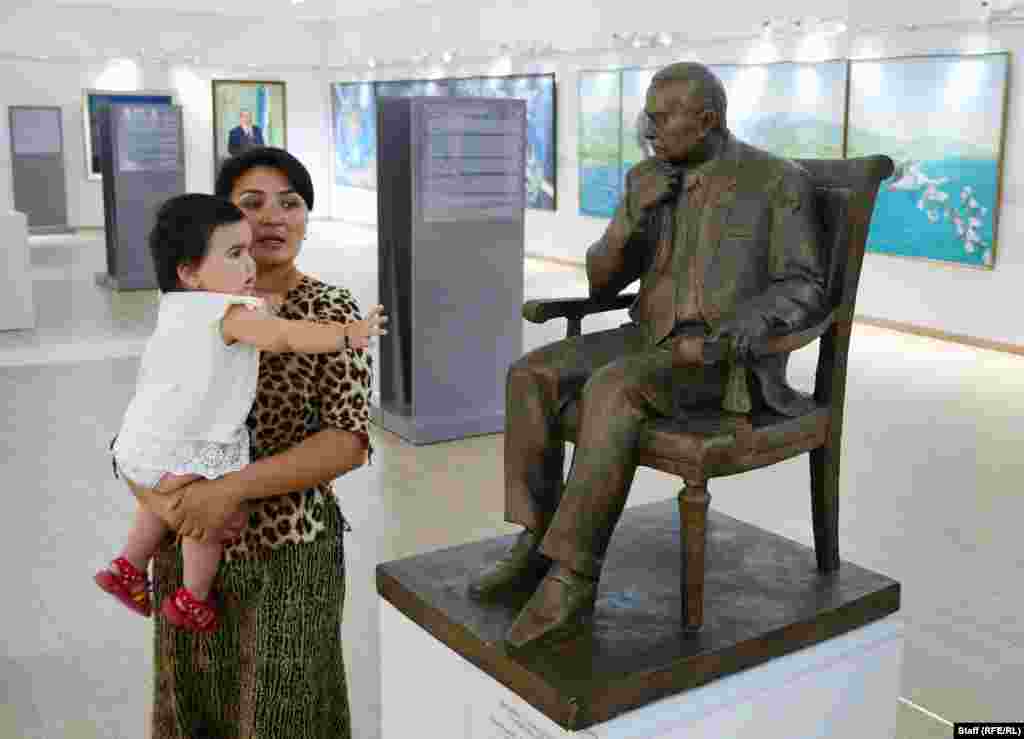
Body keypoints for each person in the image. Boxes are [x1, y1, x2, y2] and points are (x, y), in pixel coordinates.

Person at [468, 62, 827, 648]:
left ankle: (574, 575)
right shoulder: (648, 177)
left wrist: (751, 321)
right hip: (649, 335)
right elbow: (602, 284)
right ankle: (535, 542)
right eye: (649, 116)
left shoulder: (774, 181)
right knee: (530, 373)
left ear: (707, 118)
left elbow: (805, 283)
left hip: (720, 358)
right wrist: (636, 215)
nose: (649, 128)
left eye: (662, 117)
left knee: (615, 387)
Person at [129, 148, 376, 738]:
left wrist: (229, 491)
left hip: (288, 550)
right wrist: (165, 504)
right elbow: (145, 425)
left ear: (307, 218)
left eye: (290, 203)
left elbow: (348, 440)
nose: (273, 218)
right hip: (188, 543)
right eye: (251, 203)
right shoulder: (190, 311)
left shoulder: (328, 310)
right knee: (194, 701)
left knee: (282, 708)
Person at [95, 193, 386, 634]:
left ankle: (129, 565)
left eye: (247, 251)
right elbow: (284, 337)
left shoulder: (175, 305)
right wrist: (349, 334)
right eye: (235, 253)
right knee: (205, 524)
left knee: (161, 492)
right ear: (190, 272)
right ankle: (192, 597)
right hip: (193, 446)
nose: (248, 265)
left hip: (145, 440)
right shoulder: (229, 312)